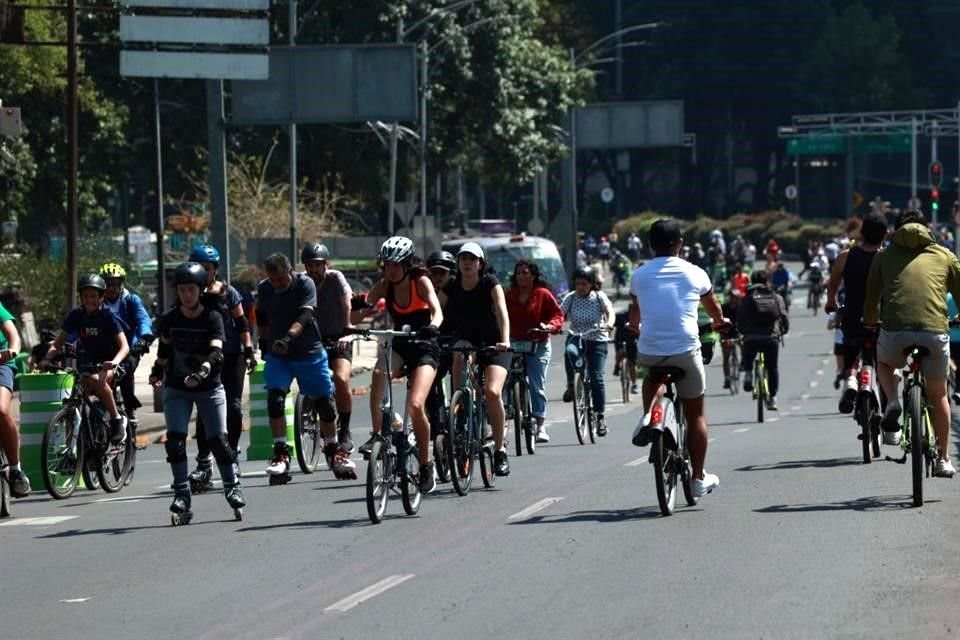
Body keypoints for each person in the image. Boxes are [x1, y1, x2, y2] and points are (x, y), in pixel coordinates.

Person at [630, 219, 727, 498]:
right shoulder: (695, 273)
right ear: (680, 244)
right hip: (686, 349)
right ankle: (697, 478)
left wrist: (634, 327)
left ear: (650, 245)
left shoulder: (639, 275)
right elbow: (713, 307)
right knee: (696, 414)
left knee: (652, 375)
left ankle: (648, 415)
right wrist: (720, 322)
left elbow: (635, 310)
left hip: (649, 350)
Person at [863, 209, 960, 477]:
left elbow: (872, 298)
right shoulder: (944, 255)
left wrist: (871, 321)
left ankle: (893, 401)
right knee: (939, 394)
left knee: (883, 361)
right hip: (934, 331)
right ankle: (943, 458)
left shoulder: (883, 256)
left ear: (895, 230)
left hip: (895, 332)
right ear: (927, 228)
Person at [149, 262, 244, 522]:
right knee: (176, 440)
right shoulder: (171, 318)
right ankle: (181, 495)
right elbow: (164, 349)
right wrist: (156, 371)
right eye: (181, 290)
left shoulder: (213, 317)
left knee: (217, 441)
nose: (186, 295)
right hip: (178, 388)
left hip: (209, 386)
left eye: (191, 290)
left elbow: (216, 353)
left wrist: (202, 372)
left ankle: (232, 486)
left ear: (201, 290)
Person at [255, 253, 353, 483]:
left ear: (290, 271)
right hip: (279, 355)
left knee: (325, 405)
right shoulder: (265, 288)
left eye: (280, 279)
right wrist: (263, 343)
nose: (277, 284)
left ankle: (333, 449)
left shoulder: (304, 283)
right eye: (273, 280)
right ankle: (280, 453)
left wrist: (288, 338)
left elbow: (306, 314)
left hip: (308, 351)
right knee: (275, 400)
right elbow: (260, 314)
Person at [357, 237, 443, 493]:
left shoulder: (421, 281)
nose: (390, 270)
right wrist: (355, 308)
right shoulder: (384, 285)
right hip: (401, 345)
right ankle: (377, 434)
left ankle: (426, 465)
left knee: (416, 406)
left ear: (407, 264)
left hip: (425, 345)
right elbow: (358, 314)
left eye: (396, 265)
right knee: (378, 372)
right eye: (386, 265)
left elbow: (438, 311)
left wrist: (433, 326)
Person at [185, 244, 257, 491]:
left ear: (215, 269)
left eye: (209, 268)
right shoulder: (190, 293)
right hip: (203, 358)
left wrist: (249, 351)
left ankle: (232, 455)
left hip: (231, 355)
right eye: (200, 268)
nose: (205, 273)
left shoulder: (229, 293)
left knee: (234, 408)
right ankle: (204, 462)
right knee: (205, 410)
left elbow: (242, 323)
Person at [440, 242, 513, 475]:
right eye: (463, 259)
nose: (467, 263)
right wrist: (429, 330)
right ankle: (459, 408)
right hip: (466, 342)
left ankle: (500, 450)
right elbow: (437, 311)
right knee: (459, 354)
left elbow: (502, 312)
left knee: (492, 392)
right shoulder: (451, 285)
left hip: (493, 345)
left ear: (481, 263)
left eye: (472, 259)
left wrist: (505, 339)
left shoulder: (490, 283)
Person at [43, 274, 129, 443]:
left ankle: (117, 419)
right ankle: (76, 449)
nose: (89, 300)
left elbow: (125, 346)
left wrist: (114, 363)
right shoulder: (76, 315)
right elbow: (58, 344)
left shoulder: (108, 316)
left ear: (101, 297)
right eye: (85, 296)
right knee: (73, 400)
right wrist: (46, 358)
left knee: (97, 379)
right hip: (87, 365)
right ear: (80, 297)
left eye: (93, 296)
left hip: (111, 364)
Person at [825, 211, 886, 416]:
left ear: (862, 233)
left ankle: (851, 382)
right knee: (886, 363)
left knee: (851, 358)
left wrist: (831, 303)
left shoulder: (845, 256)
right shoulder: (886, 258)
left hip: (853, 318)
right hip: (881, 319)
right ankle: (889, 403)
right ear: (885, 234)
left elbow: (832, 285)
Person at [301, 242, 356, 456]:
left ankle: (345, 430)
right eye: (309, 265)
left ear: (326, 264)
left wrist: (349, 329)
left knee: (341, 379)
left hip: (340, 338)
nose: (313, 270)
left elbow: (347, 302)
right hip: (314, 340)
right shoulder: (303, 282)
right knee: (314, 383)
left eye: (317, 265)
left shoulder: (335, 278)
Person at [505, 259, 564, 443]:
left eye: (525, 272)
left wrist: (550, 326)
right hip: (513, 343)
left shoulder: (543, 294)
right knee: (504, 380)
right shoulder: (509, 295)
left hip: (538, 343)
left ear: (533, 276)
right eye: (519, 272)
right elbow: (498, 313)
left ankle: (540, 426)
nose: (522, 275)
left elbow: (557, 314)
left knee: (537, 385)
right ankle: (504, 421)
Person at [560, 265, 615, 436]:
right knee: (569, 351)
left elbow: (609, 311)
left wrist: (609, 323)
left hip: (596, 338)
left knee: (596, 377)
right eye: (577, 284)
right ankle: (572, 384)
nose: (581, 287)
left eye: (584, 284)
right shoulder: (571, 297)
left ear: (592, 284)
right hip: (576, 336)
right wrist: (552, 325)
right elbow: (559, 313)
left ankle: (600, 416)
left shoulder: (599, 297)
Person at [99, 263, 153, 432]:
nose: (111, 288)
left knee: (126, 368)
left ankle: (129, 408)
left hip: (131, 347)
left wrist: (144, 339)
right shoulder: (97, 303)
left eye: (115, 284)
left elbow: (143, 320)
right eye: (107, 284)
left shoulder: (131, 300)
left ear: (121, 284)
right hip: (107, 349)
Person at [738, 270, 790, 411]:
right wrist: (783, 331)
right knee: (772, 367)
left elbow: (740, 319)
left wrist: (743, 332)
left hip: (751, 339)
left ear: (752, 281)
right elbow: (784, 317)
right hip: (771, 338)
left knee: (748, 350)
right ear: (767, 281)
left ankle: (748, 373)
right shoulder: (776, 297)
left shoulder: (747, 298)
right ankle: (772, 399)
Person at [0, 301, 29, 497]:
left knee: (0, 410)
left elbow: (13, 335)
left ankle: (15, 469)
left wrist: (12, 350)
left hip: (1, 362)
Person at [612, 308, 639, 396]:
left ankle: (634, 384)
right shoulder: (620, 315)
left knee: (632, 364)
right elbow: (611, 324)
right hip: (620, 339)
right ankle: (617, 366)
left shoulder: (640, 316)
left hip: (632, 341)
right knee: (619, 352)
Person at [720, 289, 742, 389]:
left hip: (738, 333)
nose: (733, 299)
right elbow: (719, 321)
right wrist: (723, 334)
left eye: (735, 297)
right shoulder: (724, 307)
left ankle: (744, 362)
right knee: (726, 357)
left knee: (744, 344)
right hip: (726, 333)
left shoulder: (741, 308)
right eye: (731, 297)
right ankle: (727, 378)